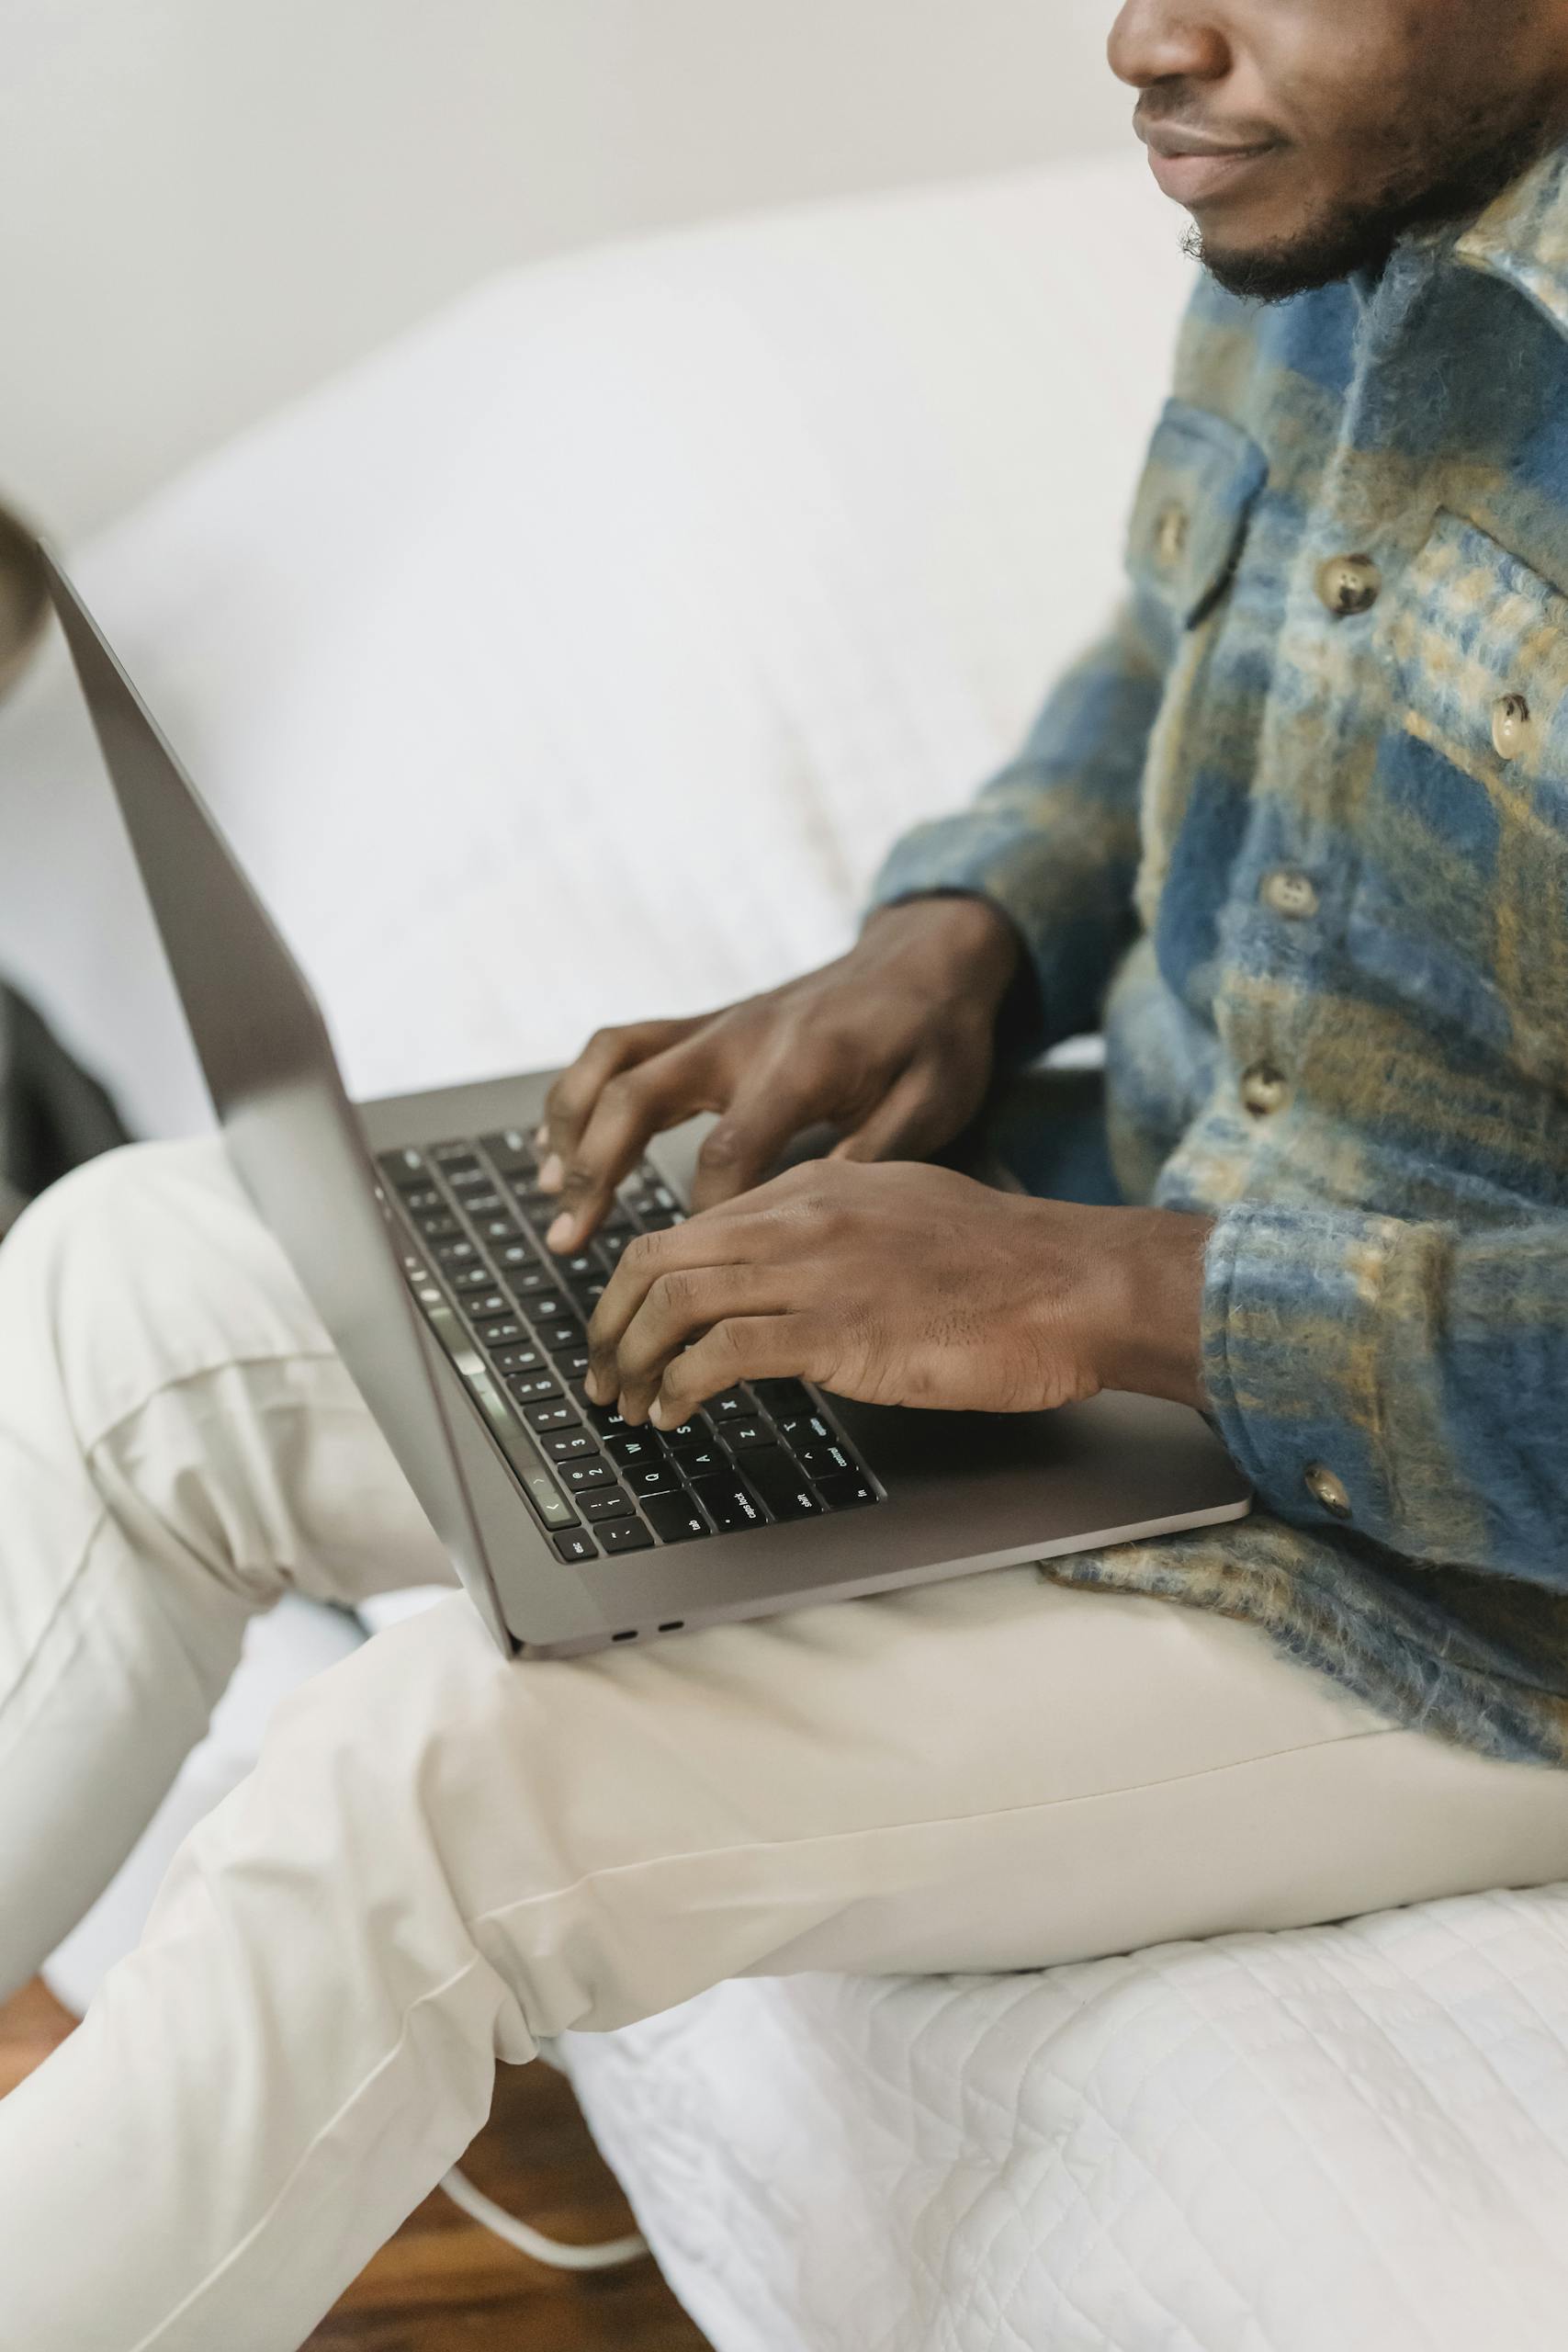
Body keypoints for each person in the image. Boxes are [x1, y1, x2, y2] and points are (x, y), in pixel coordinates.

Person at [6, 4, 1568, 2343]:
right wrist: (948, 941)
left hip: (1454, 1589)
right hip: (1118, 1194)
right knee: (133, 1281)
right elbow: (1158, 665)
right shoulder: (1324, 185)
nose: (1144, 37)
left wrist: (1113, 1297)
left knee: (444, 1773)